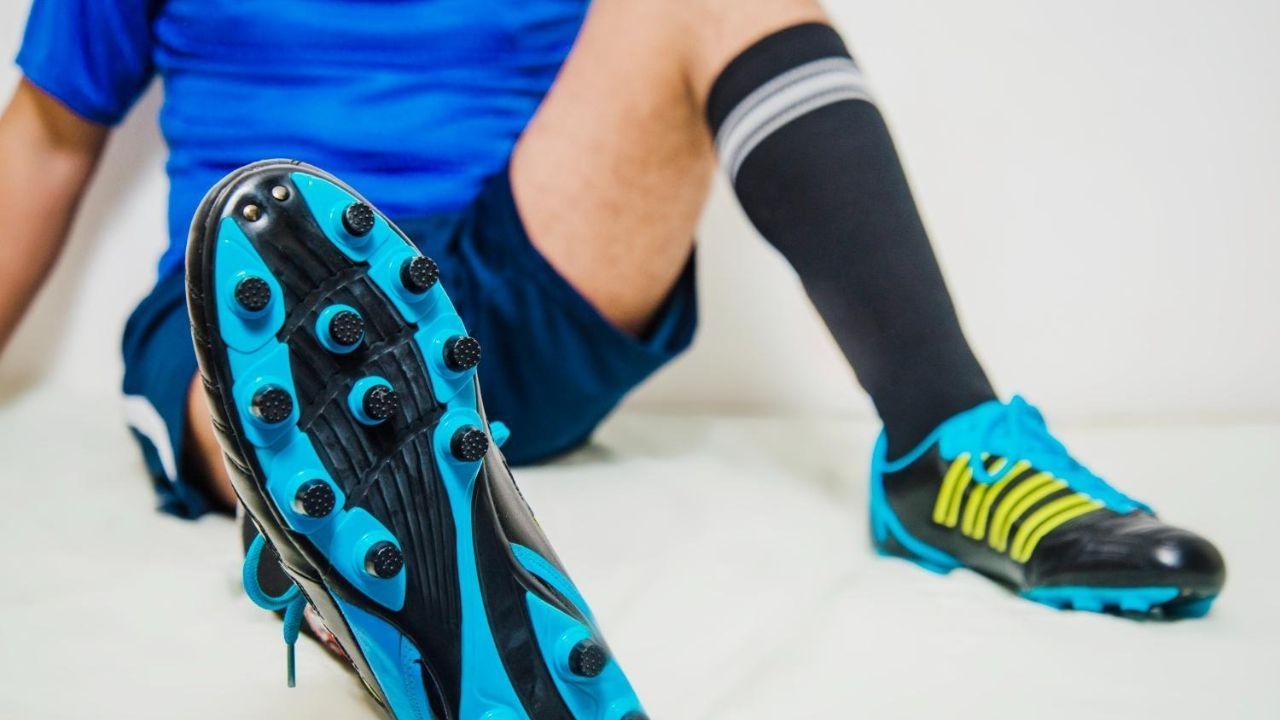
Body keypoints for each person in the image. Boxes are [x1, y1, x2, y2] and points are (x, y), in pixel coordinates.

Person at [2, 0, 1226, 716]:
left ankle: (943, 445)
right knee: (263, 339)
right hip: (253, 290)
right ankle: (312, 504)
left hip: (501, 290)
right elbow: (46, 143)